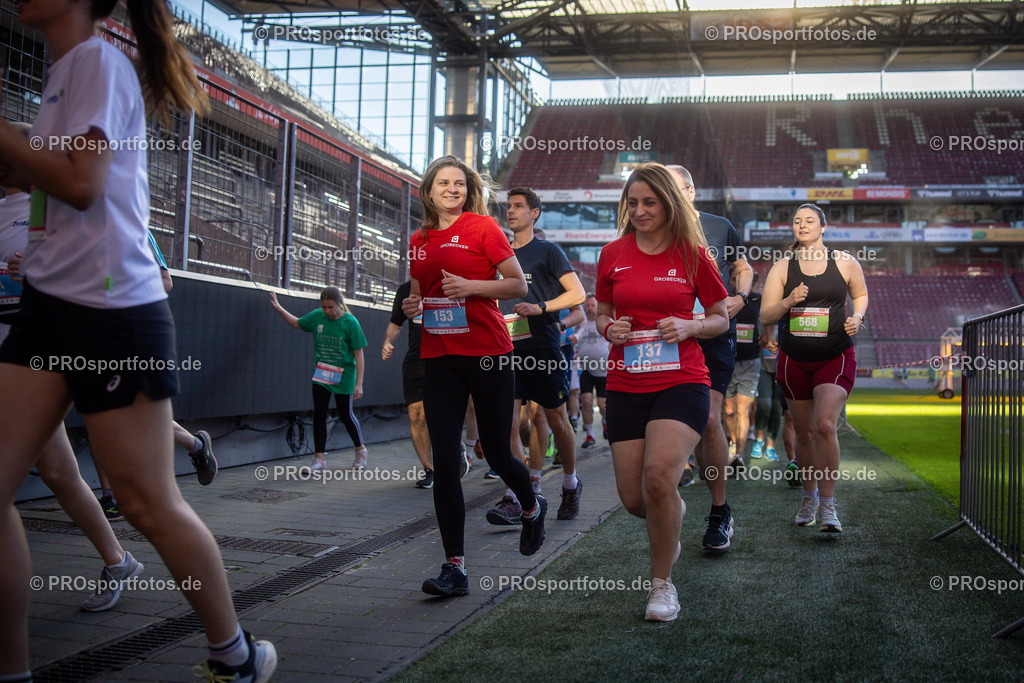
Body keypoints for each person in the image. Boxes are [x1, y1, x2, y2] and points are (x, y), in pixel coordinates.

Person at [0, 0, 276, 676]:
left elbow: (81, 183)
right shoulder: (65, 71)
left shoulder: (98, 62)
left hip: (111, 311)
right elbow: (50, 184)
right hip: (47, 304)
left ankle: (234, 655)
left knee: (146, 500)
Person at [403, 156, 546, 597]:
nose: (451, 189)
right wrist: (413, 307)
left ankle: (530, 506)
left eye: (459, 183)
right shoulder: (419, 239)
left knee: (498, 454)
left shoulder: (483, 228)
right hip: (440, 357)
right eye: (443, 183)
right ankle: (455, 568)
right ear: (428, 190)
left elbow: (518, 285)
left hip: (488, 355)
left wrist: (472, 287)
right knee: (446, 462)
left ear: (469, 190)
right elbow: (417, 293)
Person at [596, 163, 729, 622]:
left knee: (657, 477)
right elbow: (602, 313)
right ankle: (672, 508)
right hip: (626, 382)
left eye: (649, 202)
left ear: (670, 202)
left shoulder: (693, 253)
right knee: (637, 499)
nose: (639, 211)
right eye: (632, 203)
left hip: (682, 380)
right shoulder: (612, 253)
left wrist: (691, 324)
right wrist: (609, 328)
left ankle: (661, 588)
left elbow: (720, 316)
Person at [760, 203, 869, 532]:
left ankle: (829, 505)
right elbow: (765, 317)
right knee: (804, 433)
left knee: (824, 425)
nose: (802, 226)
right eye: (797, 221)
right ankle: (809, 496)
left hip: (834, 355)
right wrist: (789, 301)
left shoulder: (845, 262)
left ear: (823, 227)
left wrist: (857, 318)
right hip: (794, 360)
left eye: (809, 221)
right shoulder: (782, 268)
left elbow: (860, 294)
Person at [666, 165, 752, 553]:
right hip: (669, 336)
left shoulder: (719, 226)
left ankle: (720, 511)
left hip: (714, 334)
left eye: (674, 188)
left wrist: (741, 296)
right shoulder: (653, 228)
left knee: (709, 417)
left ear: (692, 190)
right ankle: (671, 496)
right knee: (681, 420)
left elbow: (742, 266)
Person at [486, 187, 584, 526]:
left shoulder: (548, 251)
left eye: (518, 206)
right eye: (508, 206)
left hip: (543, 348)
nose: (510, 211)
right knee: (509, 424)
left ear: (535, 213)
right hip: (505, 349)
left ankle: (570, 484)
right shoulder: (496, 253)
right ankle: (517, 495)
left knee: (556, 420)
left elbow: (577, 293)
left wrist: (541, 307)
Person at [383, 280, 472, 489]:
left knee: (439, 415)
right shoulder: (405, 290)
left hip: (446, 358)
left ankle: (453, 450)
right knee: (415, 415)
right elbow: (395, 323)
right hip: (416, 360)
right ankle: (429, 469)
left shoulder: (451, 286)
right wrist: (387, 342)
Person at [270, 286, 368, 472]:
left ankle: (360, 450)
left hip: (344, 375)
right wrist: (279, 308)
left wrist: (359, 383)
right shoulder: (317, 317)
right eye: (324, 307)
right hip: (323, 373)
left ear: (340, 304)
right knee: (320, 414)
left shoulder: (350, 323)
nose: (327, 311)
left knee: (345, 414)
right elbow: (297, 323)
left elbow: (359, 354)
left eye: (331, 307)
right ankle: (319, 459)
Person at [723, 272, 762, 463]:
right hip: (727, 361)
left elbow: (768, 321)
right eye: (733, 279)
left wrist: (769, 337)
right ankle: (732, 442)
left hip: (750, 362)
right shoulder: (723, 298)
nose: (737, 283)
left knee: (743, 409)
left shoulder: (758, 300)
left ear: (752, 283)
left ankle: (738, 454)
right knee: (729, 410)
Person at [572, 293, 610, 447]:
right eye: (587, 305)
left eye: (592, 305)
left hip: (605, 369)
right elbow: (574, 341)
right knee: (586, 401)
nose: (589, 308)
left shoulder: (605, 321)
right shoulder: (580, 324)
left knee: (602, 405)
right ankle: (590, 435)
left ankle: (606, 422)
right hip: (586, 369)